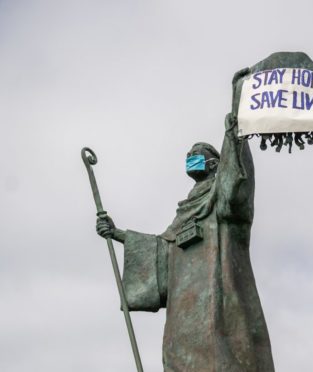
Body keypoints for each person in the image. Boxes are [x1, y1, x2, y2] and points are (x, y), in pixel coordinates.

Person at [96, 112, 274, 372]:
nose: (191, 159)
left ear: (215, 165)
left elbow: (236, 183)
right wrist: (117, 233)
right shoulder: (185, 210)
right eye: (188, 156)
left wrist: (235, 136)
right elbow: (163, 247)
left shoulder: (222, 200)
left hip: (219, 297)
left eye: (197, 155)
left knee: (222, 354)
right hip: (185, 307)